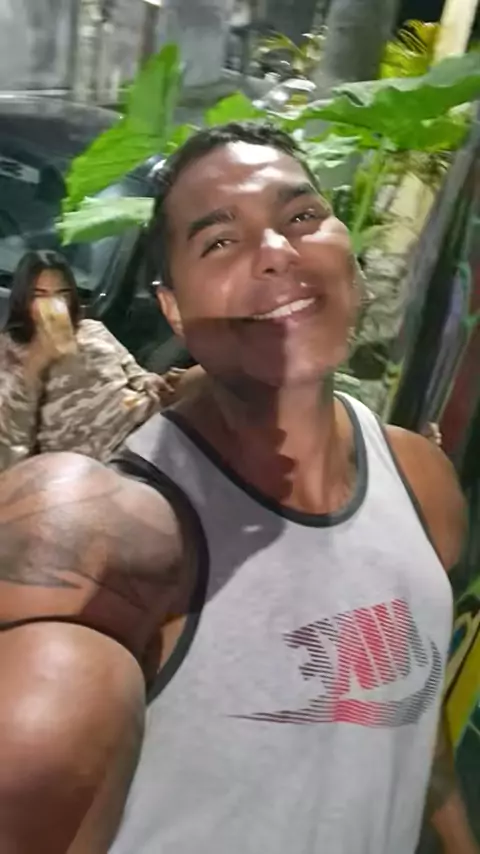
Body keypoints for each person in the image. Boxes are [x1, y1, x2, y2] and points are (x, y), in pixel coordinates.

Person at [0, 123, 476, 854]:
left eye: (302, 216)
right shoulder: (106, 532)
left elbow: (407, 720)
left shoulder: (422, 483)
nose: (278, 251)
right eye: (220, 241)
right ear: (173, 309)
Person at [0, 249, 174, 469]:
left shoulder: (93, 329)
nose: (54, 304)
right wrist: (35, 365)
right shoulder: (9, 351)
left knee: (198, 381)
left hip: (143, 423)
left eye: (61, 294)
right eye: (40, 295)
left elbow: (135, 373)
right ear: (23, 299)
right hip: (94, 460)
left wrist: (150, 381)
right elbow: (8, 450)